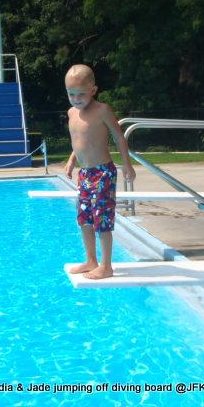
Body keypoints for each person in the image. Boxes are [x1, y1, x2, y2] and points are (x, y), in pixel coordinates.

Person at [64, 64, 136, 279]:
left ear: (93, 90)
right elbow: (78, 142)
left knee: (101, 220)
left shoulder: (102, 110)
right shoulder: (71, 113)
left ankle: (106, 266)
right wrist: (71, 161)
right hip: (85, 174)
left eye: (81, 94)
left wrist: (128, 164)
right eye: (71, 94)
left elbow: (119, 137)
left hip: (103, 173)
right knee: (84, 219)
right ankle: (90, 260)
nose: (76, 98)